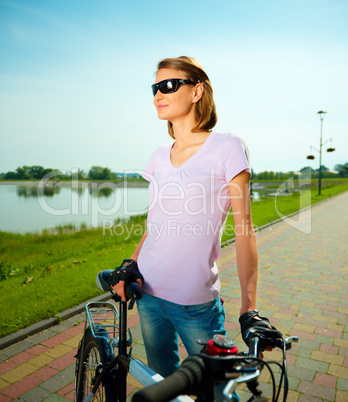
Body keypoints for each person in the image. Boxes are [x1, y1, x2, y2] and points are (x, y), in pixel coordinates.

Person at [111, 56, 277, 383]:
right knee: (162, 385)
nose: (159, 94)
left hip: (196, 305)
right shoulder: (159, 155)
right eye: (155, 87)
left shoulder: (227, 146)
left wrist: (249, 309)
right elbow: (155, 225)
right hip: (149, 296)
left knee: (216, 390)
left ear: (197, 90)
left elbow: (245, 231)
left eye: (169, 85)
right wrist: (132, 263)